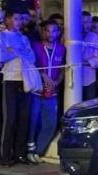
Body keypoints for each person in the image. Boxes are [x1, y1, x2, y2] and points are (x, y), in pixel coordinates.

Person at [0, 9, 35, 166]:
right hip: (10, 80)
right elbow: (1, 57)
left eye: (20, 19)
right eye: (16, 18)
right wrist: (19, 52)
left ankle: (20, 154)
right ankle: (5, 155)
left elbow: (31, 58)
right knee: (10, 119)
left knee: (24, 119)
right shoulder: (2, 36)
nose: (19, 22)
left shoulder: (24, 38)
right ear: (8, 20)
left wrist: (14, 50)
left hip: (24, 80)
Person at [29, 19, 64, 162]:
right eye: (48, 31)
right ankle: (29, 151)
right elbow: (32, 65)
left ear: (58, 32)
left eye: (54, 31)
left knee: (50, 124)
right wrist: (44, 77)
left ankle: (38, 151)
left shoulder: (62, 49)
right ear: (43, 32)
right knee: (33, 123)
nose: (51, 34)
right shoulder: (35, 46)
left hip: (52, 93)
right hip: (36, 91)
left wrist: (55, 83)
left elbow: (63, 70)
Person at [81, 10, 98, 100]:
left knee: (90, 105)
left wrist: (84, 62)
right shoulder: (72, 36)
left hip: (89, 80)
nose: (88, 25)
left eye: (90, 22)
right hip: (74, 80)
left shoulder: (95, 38)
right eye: (85, 22)